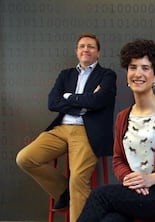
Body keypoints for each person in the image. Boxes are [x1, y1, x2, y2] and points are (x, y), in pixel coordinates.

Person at [77, 38, 155, 222]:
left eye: (145, 68)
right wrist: (133, 180)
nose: (138, 73)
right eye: (133, 67)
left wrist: (150, 179)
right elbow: (118, 161)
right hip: (135, 193)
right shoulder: (123, 117)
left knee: (100, 195)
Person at [15, 32, 117, 222]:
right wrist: (85, 101)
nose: (86, 49)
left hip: (87, 132)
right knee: (25, 158)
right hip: (60, 129)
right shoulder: (66, 75)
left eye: (91, 46)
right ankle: (64, 190)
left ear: (98, 53)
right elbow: (52, 103)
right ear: (77, 52)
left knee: (78, 179)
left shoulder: (107, 75)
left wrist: (69, 97)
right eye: (82, 46)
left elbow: (99, 100)